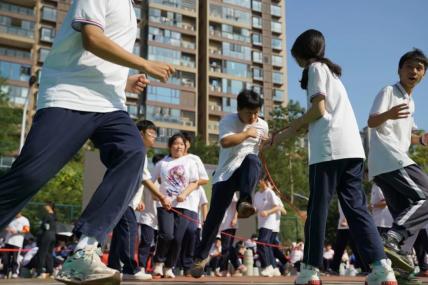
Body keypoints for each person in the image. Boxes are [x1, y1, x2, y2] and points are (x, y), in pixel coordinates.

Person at [0, 0, 175, 284]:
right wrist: (144, 63)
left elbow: (101, 58)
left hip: (110, 104)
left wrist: (123, 82)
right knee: (30, 175)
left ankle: (85, 250)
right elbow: (92, 40)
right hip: (68, 95)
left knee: (132, 152)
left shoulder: (132, 11)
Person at [270, 29, 397, 285]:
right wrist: (283, 135)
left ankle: (309, 270)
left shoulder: (315, 69)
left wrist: (285, 132)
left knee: (317, 210)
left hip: (328, 151)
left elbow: (317, 110)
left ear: (300, 54)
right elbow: (319, 115)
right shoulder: (333, 74)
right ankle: (382, 269)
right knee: (358, 210)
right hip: (352, 150)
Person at [190, 89, 269, 278]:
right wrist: (247, 133)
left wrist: (267, 141)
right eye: (249, 113)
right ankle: (200, 258)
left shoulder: (262, 125)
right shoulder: (228, 121)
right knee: (215, 217)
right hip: (225, 174)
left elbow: (264, 146)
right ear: (239, 110)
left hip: (246, 172)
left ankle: (245, 202)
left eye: (256, 112)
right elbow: (225, 142)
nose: (253, 116)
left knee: (252, 159)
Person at [367, 48, 428, 273]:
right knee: (425, 198)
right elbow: (372, 122)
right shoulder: (389, 92)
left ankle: (393, 269)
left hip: (384, 166)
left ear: (424, 74)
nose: (414, 71)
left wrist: (421, 139)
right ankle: (392, 237)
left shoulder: (410, 102)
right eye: (409, 66)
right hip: (390, 158)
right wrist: (388, 115)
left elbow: (407, 137)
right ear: (399, 70)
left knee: (409, 215)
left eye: (419, 68)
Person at [108, 120, 170, 281]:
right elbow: (145, 178)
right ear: (140, 134)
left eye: (155, 134)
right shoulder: (137, 150)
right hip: (122, 198)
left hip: (122, 198)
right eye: (151, 134)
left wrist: (139, 199)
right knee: (129, 229)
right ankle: (130, 268)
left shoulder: (136, 150)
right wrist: (162, 197)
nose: (154, 137)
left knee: (120, 233)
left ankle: (113, 267)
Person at [151, 133, 199, 278]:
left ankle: (169, 266)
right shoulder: (162, 163)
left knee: (178, 239)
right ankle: (158, 263)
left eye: (181, 144)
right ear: (170, 146)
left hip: (185, 205)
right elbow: (151, 181)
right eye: (175, 144)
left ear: (185, 147)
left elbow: (195, 181)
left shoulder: (190, 162)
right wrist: (158, 196)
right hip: (165, 205)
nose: (178, 147)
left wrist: (184, 194)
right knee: (166, 235)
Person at [178, 132, 209, 276]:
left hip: (190, 203)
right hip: (174, 204)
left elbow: (204, 179)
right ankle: (171, 265)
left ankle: (187, 266)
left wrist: (191, 183)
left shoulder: (194, 159)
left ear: (188, 144)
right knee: (175, 236)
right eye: (177, 142)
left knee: (190, 234)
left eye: (184, 142)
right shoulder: (170, 159)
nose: (180, 145)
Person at [137, 153, 165, 274]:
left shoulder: (167, 180)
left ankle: (157, 267)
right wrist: (139, 200)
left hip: (162, 219)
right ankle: (142, 267)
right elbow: (140, 189)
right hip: (147, 217)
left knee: (160, 245)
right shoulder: (149, 178)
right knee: (146, 242)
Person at [254, 177, 282, 277]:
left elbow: (278, 207)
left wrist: (267, 212)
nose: (258, 182)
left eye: (259, 180)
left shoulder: (270, 192)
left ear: (264, 181)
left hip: (270, 223)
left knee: (262, 243)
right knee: (265, 245)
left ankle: (268, 266)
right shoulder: (257, 194)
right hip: (261, 224)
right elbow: (256, 208)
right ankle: (274, 268)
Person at [216, 192, 240, 277]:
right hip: (223, 225)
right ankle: (237, 266)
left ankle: (224, 269)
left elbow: (238, 205)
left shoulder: (231, 192)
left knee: (226, 247)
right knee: (228, 247)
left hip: (229, 224)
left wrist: (235, 218)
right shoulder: (220, 194)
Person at [0, 213, 30, 279]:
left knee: (15, 258)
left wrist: (17, 231)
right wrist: (7, 229)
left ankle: (14, 272)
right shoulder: (11, 218)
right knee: (5, 258)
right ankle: (5, 273)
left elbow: (27, 230)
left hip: (17, 242)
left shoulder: (24, 220)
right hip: (8, 241)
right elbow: (5, 226)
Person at [35, 202, 56, 279]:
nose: (44, 207)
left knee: (42, 253)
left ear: (49, 206)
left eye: (45, 206)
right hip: (53, 236)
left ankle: (39, 272)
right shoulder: (54, 216)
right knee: (49, 254)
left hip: (46, 235)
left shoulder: (47, 216)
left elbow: (44, 227)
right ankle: (50, 271)